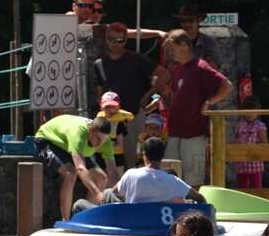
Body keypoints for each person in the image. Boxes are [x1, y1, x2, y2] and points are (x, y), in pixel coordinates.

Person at [95, 22, 170, 170]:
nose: (116, 44)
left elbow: (164, 75)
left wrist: (147, 96)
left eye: (120, 40)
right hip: (109, 118)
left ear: (125, 40)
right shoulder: (99, 63)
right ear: (106, 39)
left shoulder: (136, 59)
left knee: (136, 159)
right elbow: (99, 89)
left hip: (134, 116)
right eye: (112, 39)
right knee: (109, 160)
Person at [164, 29, 233, 189]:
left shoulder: (201, 67)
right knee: (169, 178)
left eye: (171, 47)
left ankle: (194, 212)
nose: (169, 52)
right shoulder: (178, 69)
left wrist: (209, 101)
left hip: (194, 133)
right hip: (175, 133)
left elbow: (227, 86)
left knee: (193, 181)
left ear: (184, 45)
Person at [35, 115, 111, 220]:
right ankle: (66, 220)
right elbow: (80, 168)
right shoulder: (78, 133)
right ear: (90, 131)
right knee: (70, 174)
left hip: (69, 144)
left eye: (103, 140)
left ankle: (87, 217)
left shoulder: (106, 142)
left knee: (102, 178)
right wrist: (97, 193)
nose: (100, 143)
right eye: (97, 138)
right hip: (48, 139)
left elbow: (113, 171)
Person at [112, 137, 206, 204]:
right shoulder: (172, 180)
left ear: (144, 155)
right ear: (162, 155)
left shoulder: (130, 174)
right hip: (159, 224)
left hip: (132, 222)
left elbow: (115, 191)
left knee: (108, 192)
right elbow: (199, 197)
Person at [95, 91, 134, 184]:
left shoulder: (119, 123)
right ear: (101, 107)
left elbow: (119, 144)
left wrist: (103, 147)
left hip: (116, 158)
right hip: (100, 157)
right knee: (102, 183)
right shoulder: (98, 121)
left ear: (118, 107)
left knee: (116, 183)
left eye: (113, 107)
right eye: (107, 107)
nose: (110, 110)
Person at [172, 3, 222, 69]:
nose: (187, 24)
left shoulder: (209, 43)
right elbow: (169, 68)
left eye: (190, 20)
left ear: (199, 20)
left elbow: (213, 70)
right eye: (183, 21)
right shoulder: (174, 42)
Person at [234, 95, 267, 189]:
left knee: (256, 187)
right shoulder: (240, 125)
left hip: (255, 164)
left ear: (258, 112)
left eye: (253, 111)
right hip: (241, 164)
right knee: (242, 187)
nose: (250, 114)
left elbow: (264, 143)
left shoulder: (260, 126)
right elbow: (236, 140)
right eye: (247, 111)